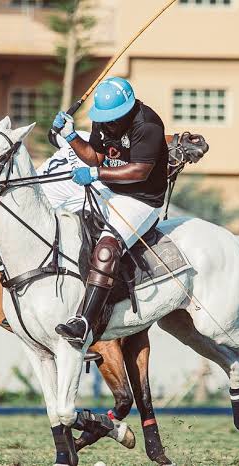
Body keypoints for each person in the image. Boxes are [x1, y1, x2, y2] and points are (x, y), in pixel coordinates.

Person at [50, 76, 168, 346]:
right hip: (110, 190)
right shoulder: (103, 119)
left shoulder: (147, 125)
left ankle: (85, 323)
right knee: (67, 227)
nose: (110, 123)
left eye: (116, 117)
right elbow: (96, 156)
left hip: (142, 199)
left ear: (129, 108)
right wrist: (69, 136)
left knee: (106, 248)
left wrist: (95, 173)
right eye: (107, 118)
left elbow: (140, 171)